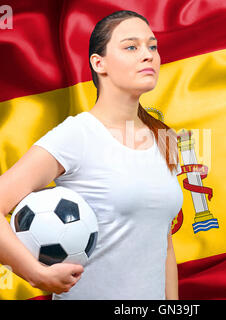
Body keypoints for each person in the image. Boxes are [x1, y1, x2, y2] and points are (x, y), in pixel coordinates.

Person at [0, 10, 183, 300]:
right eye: (131, 47)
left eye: (152, 46)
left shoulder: (164, 138)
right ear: (99, 64)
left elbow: (163, 243)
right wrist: (36, 274)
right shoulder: (78, 136)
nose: (148, 55)